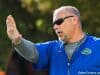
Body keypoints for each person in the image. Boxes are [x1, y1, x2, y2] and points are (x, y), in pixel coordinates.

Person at [6, 6, 100, 75]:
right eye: (54, 24)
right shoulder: (52, 48)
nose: (55, 27)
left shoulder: (98, 45)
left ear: (74, 20)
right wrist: (18, 41)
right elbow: (33, 52)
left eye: (58, 22)